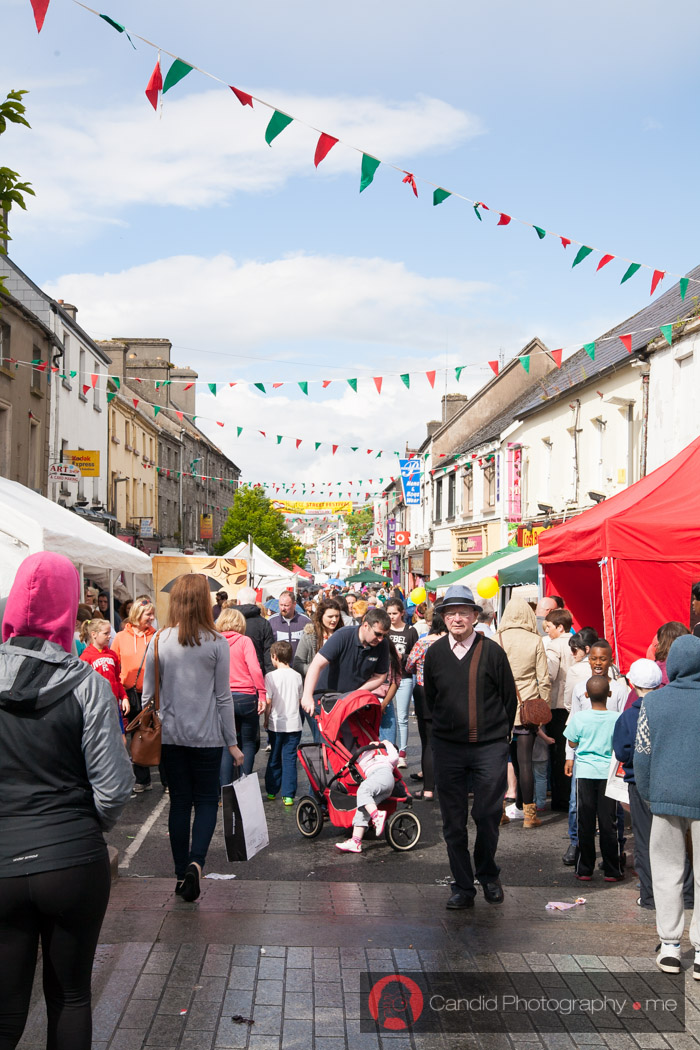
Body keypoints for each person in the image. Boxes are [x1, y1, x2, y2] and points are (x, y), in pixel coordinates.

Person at [0, 551, 133, 1050]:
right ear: (68, 608)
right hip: (71, 858)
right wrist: (80, 827)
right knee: (71, 998)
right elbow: (114, 788)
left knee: (5, 1009)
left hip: (3, 858)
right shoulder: (88, 686)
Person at [141, 575, 243, 903]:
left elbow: (147, 696)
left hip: (170, 736)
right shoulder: (216, 643)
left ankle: (179, 870)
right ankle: (196, 863)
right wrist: (232, 742)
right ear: (204, 602)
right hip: (208, 736)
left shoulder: (158, 640)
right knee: (206, 800)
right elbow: (223, 697)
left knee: (180, 802)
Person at [424, 585, 517, 909]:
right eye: (451, 613)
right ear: (443, 618)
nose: (457, 618)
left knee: (487, 814)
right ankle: (463, 886)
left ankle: (488, 874)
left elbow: (508, 698)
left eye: (464, 612)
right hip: (449, 749)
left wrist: (499, 737)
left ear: (476, 616)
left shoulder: (492, 652)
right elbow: (431, 700)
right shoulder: (434, 654)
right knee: (453, 821)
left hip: (488, 747)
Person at [634, 634, 700, 976]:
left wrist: (649, 794)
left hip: (665, 797)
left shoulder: (653, 703)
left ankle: (671, 946)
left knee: (666, 873)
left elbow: (641, 756)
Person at [613, 659, 693, 910]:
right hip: (673, 781)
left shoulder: (629, 716)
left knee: (646, 842)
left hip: (639, 784)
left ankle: (650, 896)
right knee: (678, 839)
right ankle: (687, 895)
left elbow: (622, 751)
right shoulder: (673, 709)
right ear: (661, 683)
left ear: (631, 683)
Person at [563, 637, 627, 865]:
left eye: (603, 659)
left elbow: (623, 726)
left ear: (611, 660)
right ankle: (576, 843)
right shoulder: (582, 689)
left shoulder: (620, 690)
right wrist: (569, 756)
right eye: (593, 659)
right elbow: (573, 723)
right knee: (577, 805)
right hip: (584, 760)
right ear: (588, 660)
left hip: (611, 760)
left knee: (613, 808)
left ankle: (616, 847)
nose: (598, 663)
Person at [497, 597, 551, 829]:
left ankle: (499, 812)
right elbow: (544, 679)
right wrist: (543, 707)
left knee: (498, 762)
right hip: (527, 708)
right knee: (525, 762)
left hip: (500, 709)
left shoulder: (496, 639)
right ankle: (529, 814)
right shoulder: (535, 640)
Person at [300, 608, 391, 723]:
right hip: (326, 698)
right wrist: (307, 695)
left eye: (384, 635)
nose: (380, 639)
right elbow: (316, 665)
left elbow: (380, 676)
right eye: (377, 634)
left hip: (351, 703)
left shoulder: (382, 644)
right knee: (327, 740)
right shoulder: (343, 636)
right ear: (366, 625)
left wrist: (356, 693)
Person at [112, 597, 158, 793]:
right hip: (129, 695)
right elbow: (115, 665)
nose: (152, 618)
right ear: (138, 615)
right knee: (135, 737)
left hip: (152, 694)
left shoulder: (156, 636)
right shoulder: (121, 637)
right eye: (148, 614)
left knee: (153, 735)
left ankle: (164, 781)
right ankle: (141, 778)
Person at [216, 606, 266, 780]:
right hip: (245, 697)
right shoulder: (245, 641)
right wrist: (262, 694)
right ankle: (244, 785)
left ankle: (225, 791)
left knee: (225, 745)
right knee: (248, 743)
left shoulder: (215, 641)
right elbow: (255, 668)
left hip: (223, 697)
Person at [405, 610, 448, 801]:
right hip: (450, 692)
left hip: (424, 692)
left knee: (428, 742)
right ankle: (452, 788)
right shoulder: (453, 642)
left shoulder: (423, 642)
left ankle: (429, 789)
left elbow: (408, 665)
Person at [335, 740, 400, 853]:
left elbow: (394, 757)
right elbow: (361, 760)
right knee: (363, 806)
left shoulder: (386, 759)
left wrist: (387, 744)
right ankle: (356, 841)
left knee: (363, 790)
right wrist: (370, 747)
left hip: (384, 775)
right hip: (378, 783)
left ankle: (376, 816)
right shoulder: (365, 762)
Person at [542, 608, 575, 811]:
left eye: (549, 627)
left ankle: (561, 798)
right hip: (577, 703)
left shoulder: (555, 646)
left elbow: (550, 674)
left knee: (559, 752)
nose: (547, 631)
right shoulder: (578, 641)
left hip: (559, 704)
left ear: (560, 627)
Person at [264, 641, 303, 805]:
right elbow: (300, 699)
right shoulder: (297, 676)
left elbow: (268, 702)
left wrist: (266, 720)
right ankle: (288, 794)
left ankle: (272, 790)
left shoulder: (270, 676)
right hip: (294, 723)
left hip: (276, 723)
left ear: (274, 656)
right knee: (290, 758)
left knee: (274, 756)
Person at [79, 617, 130, 737]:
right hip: (97, 706)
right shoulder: (86, 657)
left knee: (121, 739)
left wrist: (124, 697)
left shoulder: (112, 654)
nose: (109, 636)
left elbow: (117, 679)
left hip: (113, 704)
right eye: (106, 633)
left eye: (109, 633)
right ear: (94, 634)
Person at [385, 598, 419, 768]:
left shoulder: (410, 631)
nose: (392, 617)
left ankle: (402, 754)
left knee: (402, 717)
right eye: (389, 613)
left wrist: (402, 657)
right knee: (385, 715)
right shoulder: (384, 631)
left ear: (402, 613)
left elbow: (415, 655)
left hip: (404, 676)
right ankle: (387, 750)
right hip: (385, 678)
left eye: (395, 613)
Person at [235, 587, 274, 675]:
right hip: (256, 673)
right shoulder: (263, 623)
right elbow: (268, 652)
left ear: (238, 602)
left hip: (234, 673)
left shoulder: (229, 621)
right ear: (255, 603)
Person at [268, 590, 310, 657]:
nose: (283, 608)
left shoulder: (305, 621)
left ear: (294, 604)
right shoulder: (271, 621)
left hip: (299, 665)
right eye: (281, 605)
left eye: (286, 605)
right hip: (279, 666)